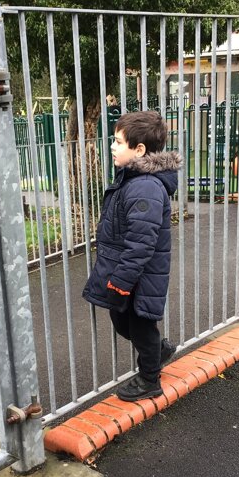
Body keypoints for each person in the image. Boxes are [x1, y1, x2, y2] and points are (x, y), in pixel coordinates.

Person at [82, 110, 181, 401]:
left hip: (139, 276)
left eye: (118, 141)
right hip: (128, 273)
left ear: (139, 150)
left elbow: (141, 244)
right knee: (123, 321)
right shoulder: (132, 180)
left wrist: (121, 282)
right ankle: (158, 350)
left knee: (139, 325)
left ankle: (150, 379)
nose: (112, 146)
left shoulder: (145, 186)